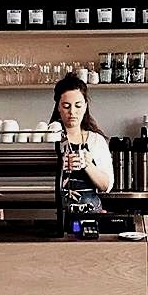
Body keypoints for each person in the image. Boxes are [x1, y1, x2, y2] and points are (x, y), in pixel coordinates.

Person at [50, 73, 113, 213]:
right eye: (66, 106)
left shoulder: (96, 141)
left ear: (85, 106)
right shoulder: (48, 139)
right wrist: (59, 166)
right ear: (58, 107)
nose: (72, 112)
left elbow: (105, 186)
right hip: (57, 218)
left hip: (91, 217)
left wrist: (87, 164)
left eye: (78, 106)